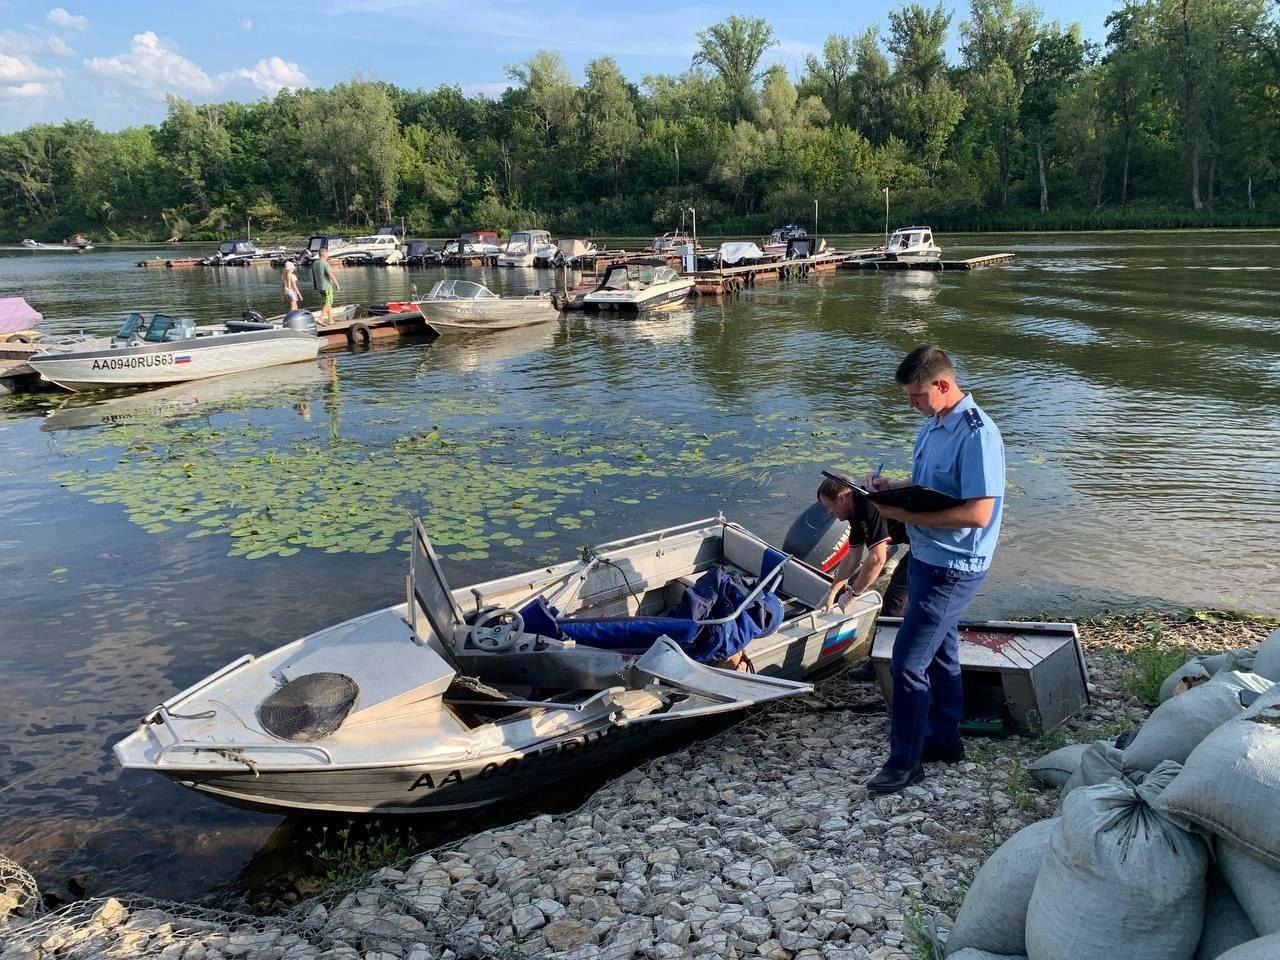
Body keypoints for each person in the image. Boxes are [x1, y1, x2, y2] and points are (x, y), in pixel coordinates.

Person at [861, 344, 1005, 795]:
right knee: (941, 653)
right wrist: (892, 489)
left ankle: (905, 763)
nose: (911, 404)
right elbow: (932, 486)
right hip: (926, 556)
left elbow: (978, 513)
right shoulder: (934, 423)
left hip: (954, 566)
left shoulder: (977, 434)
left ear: (943, 384)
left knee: (907, 662)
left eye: (916, 395)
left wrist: (904, 515)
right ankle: (945, 741)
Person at [815, 472, 910, 617]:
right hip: (917, 539)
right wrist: (832, 591)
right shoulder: (855, 508)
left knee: (895, 599)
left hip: (932, 540)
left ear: (841, 498)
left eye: (829, 506)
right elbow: (852, 556)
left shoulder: (867, 505)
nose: (829, 512)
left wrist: (854, 593)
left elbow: (877, 559)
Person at [310, 249, 341, 326]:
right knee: (328, 302)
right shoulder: (324, 263)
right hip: (326, 286)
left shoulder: (315, 263)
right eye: (327, 253)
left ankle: (330, 320)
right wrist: (337, 284)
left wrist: (316, 285)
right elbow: (330, 274)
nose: (328, 255)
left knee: (328, 303)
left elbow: (313, 275)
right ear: (323, 254)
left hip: (320, 286)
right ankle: (321, 319)